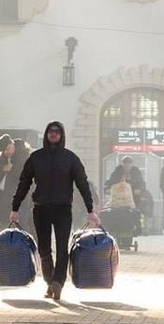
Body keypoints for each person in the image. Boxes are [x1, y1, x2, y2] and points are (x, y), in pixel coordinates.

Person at [10, 120, 98, 300]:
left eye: (57, 132)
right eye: (51, 131)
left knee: (61, 247)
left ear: (62, 135)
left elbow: (83, 184)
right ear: (46, 134)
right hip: (41, 208)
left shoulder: (70, 158)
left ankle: (57, 282)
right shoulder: (36, 157)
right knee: (43, 248)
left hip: (63, 209)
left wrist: (90, 209)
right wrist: (15, 207)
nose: (54, 134)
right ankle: (51, 282)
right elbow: (24, 183)